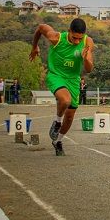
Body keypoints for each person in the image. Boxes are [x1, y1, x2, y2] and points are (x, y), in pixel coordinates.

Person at [29, 18, 94, 156]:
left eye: (79, 39)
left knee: (70, 117)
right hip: (56, 75)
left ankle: (58, 141)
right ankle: (57, 121)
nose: (77, 41)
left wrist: (85, 58)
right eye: (74, 38)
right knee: (65, 100)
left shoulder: (87, 42)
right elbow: (41, 27)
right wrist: (34, 46)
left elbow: (88, 69)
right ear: (69, 31)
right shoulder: (56, 38)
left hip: (73, 80)